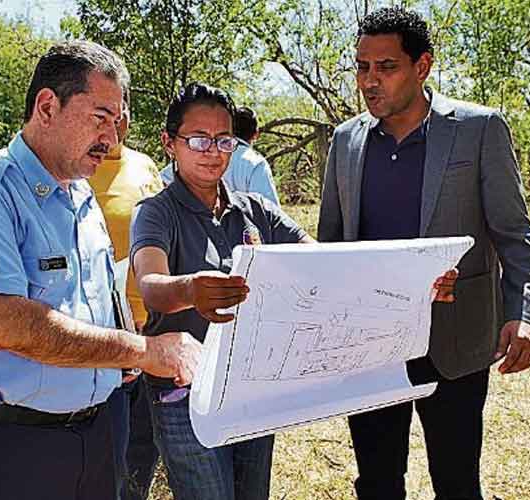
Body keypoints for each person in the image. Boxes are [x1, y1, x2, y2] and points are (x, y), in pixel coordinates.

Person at [130, 82, 458, 500]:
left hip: (253, 386)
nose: (212, 151)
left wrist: (417, 284)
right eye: (198, 139)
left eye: (223, 139)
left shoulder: (255, 211)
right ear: (169, 143)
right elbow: (151, 284)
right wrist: (191, 289)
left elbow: (329, 267)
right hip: (184, 394)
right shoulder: (156, 212)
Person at [0, 40, 201, 500]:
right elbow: (5, 324)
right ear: (47, 106)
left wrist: (120, 348)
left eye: (116, 123)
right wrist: (142, 350)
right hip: (14, 448)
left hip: (99, 433)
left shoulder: (80, 195)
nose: (112, 139)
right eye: (100, 117)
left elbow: (90, 296)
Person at [317, 7, 530, 500]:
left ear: (422, 67)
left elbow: (513, 234)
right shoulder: (345, 142)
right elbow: (330, 248)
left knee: (457, 481)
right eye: (362, 67)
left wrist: (523, 314)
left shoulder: (479, 129)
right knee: (376, 481)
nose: (370, 81)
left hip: (456, 341)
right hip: (372, 346)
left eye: (386, 67)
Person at [89, 87, 164, 500]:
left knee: (141, 446)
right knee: (106, 450)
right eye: (104, 113)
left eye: (122, 113)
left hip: (150, 330)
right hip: (101, 336)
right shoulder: (75, 167)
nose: (115, 124)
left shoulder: (145, 166)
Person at [160, 105, 280, 204]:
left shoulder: (194, 155)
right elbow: (270, 211)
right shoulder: (255, 163)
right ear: (256, 134)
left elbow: (161, 182)